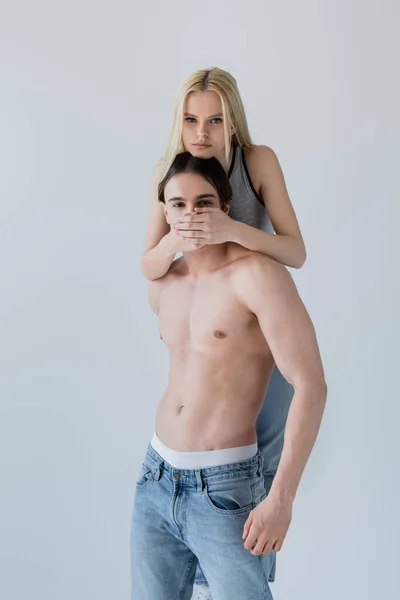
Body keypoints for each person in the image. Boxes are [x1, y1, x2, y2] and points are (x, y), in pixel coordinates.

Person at [130, 152, 327, 600]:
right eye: (178, 204)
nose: (191, 214)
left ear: (225, 206)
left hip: (226, 488)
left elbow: (312, 385)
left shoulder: (257, 275)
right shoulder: (163, 286)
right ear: (164, 211)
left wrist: (281, 498)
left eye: (204, 202)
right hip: (155, 477)